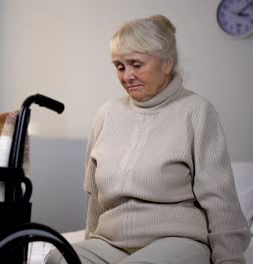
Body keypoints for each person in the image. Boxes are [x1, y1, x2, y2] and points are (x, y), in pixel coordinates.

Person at [46, 14, 251, 264]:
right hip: (112, 243)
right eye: (120, 67)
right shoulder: (106, 114)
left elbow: (220, 200)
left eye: (136, 64)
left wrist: (229, 261)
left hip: (178, 241)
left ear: (167, 63)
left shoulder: (197, 111)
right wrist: (90, 243)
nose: (127, 76)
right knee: (58, 258)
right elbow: (95, 199)